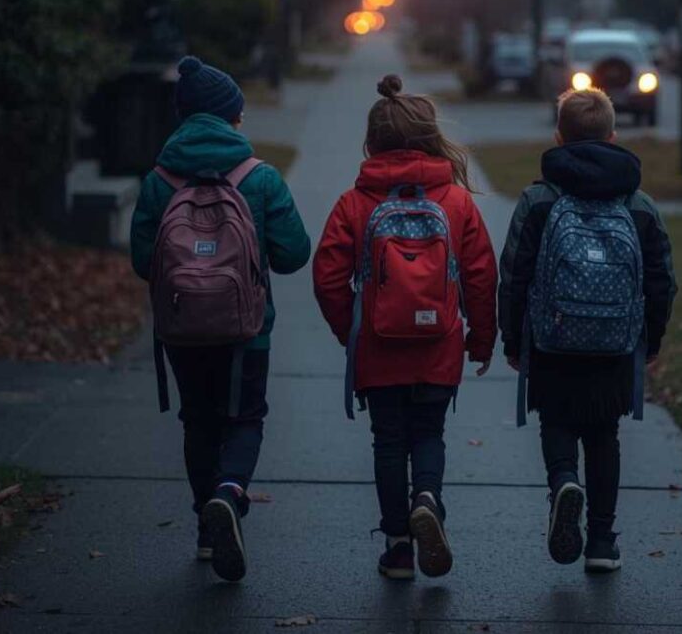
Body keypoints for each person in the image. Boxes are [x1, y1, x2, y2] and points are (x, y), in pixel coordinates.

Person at [130, 55, 310, 581]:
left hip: (183, 329)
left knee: (199, 421)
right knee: (245, 418)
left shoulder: (159, 180)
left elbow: (145, 261)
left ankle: (207, 531)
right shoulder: (259, 178)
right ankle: (231, 493)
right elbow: (295, 253)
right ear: (231, 117)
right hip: (247, 331)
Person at [313, 75, 498, 581]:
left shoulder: (355, 203)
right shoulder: (457, 203)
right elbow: (481, 276)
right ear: (429, 138)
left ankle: (397, 547)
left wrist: (349, 331)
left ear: (372, 143)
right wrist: (479, 339)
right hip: (438, 346)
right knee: (430, 434)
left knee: (388, 441)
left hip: (379, 346)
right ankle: (428, 498)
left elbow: (328, 275)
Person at [498, 87, 676, 572]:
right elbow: (662, 279)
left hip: (552, 337)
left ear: (559, 136)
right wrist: (650, 341)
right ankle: (601, 541)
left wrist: (513, 340)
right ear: (613, 137)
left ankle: (562, 484)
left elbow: (513, 272)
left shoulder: (539, 198)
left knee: (556, 419)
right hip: (616, 343)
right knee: (605, 435)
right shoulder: (638, 204)